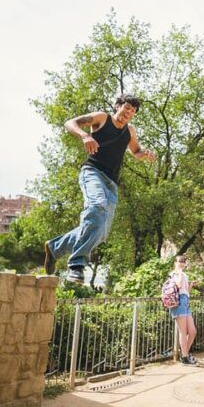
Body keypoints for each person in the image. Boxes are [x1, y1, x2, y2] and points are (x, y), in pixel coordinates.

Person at [44, 94, 155, 283]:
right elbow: (70, 123)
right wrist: (85, 136)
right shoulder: (102, 118)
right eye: (126, 107)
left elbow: (135, 151)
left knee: (101, 232)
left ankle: (55, 247)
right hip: (92, 173)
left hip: (111, 183)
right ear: (117, 106)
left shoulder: (130, 131)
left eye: (133, 111)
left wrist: (145, 154)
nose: (129, 113)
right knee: (96, 207)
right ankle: (76, 264)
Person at [169, 255, 201, 365]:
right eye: (179, 261)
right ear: (175, 263)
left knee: (192, 331)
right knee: (183, 331)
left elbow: (186, 291)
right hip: (178, 302)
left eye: (183, 261)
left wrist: (191, 284)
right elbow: (178, 285)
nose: (182, 263)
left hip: (185, 301)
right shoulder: (174, 274)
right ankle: (185, 357)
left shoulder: (184, 275)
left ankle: (184, 355)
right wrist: (179, 272)